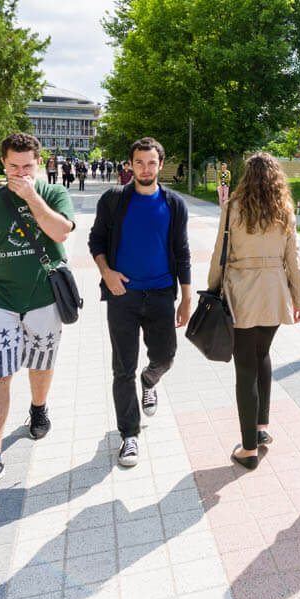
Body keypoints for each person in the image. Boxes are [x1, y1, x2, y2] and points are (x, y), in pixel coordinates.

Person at [0, 132, 76, 495]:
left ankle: (38, 408)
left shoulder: (54, 194)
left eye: (27, 166)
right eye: (13, 166)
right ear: (2, 164)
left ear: (38, 163)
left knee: (40, 364)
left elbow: (60, 231)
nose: (20, 173)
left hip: (44, 297)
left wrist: (32, 197)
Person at [89, 137, 191, 468]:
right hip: (123, 296)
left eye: (151, 163)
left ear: (161, 165)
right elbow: (96, 241)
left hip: (162, 293)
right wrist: (107, 273)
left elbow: (182, 251)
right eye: (139, 162)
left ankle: (149, 382)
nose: (145, 169)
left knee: (166, 357)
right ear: (130, 165)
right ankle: (129, 436)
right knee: (123, 368)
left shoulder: (174, 204)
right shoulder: (114, 200)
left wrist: (187, 296)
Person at [208, 152, 300, 470]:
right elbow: (294, 260)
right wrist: (299, 300)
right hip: (275, 293)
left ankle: (248, 449)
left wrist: (211, 290)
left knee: (245, 368)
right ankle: (261, 429)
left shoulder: (233, 208)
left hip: (241, 293)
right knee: (262, 355)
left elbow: (219, 255)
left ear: (246, 178)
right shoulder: (285, 212)